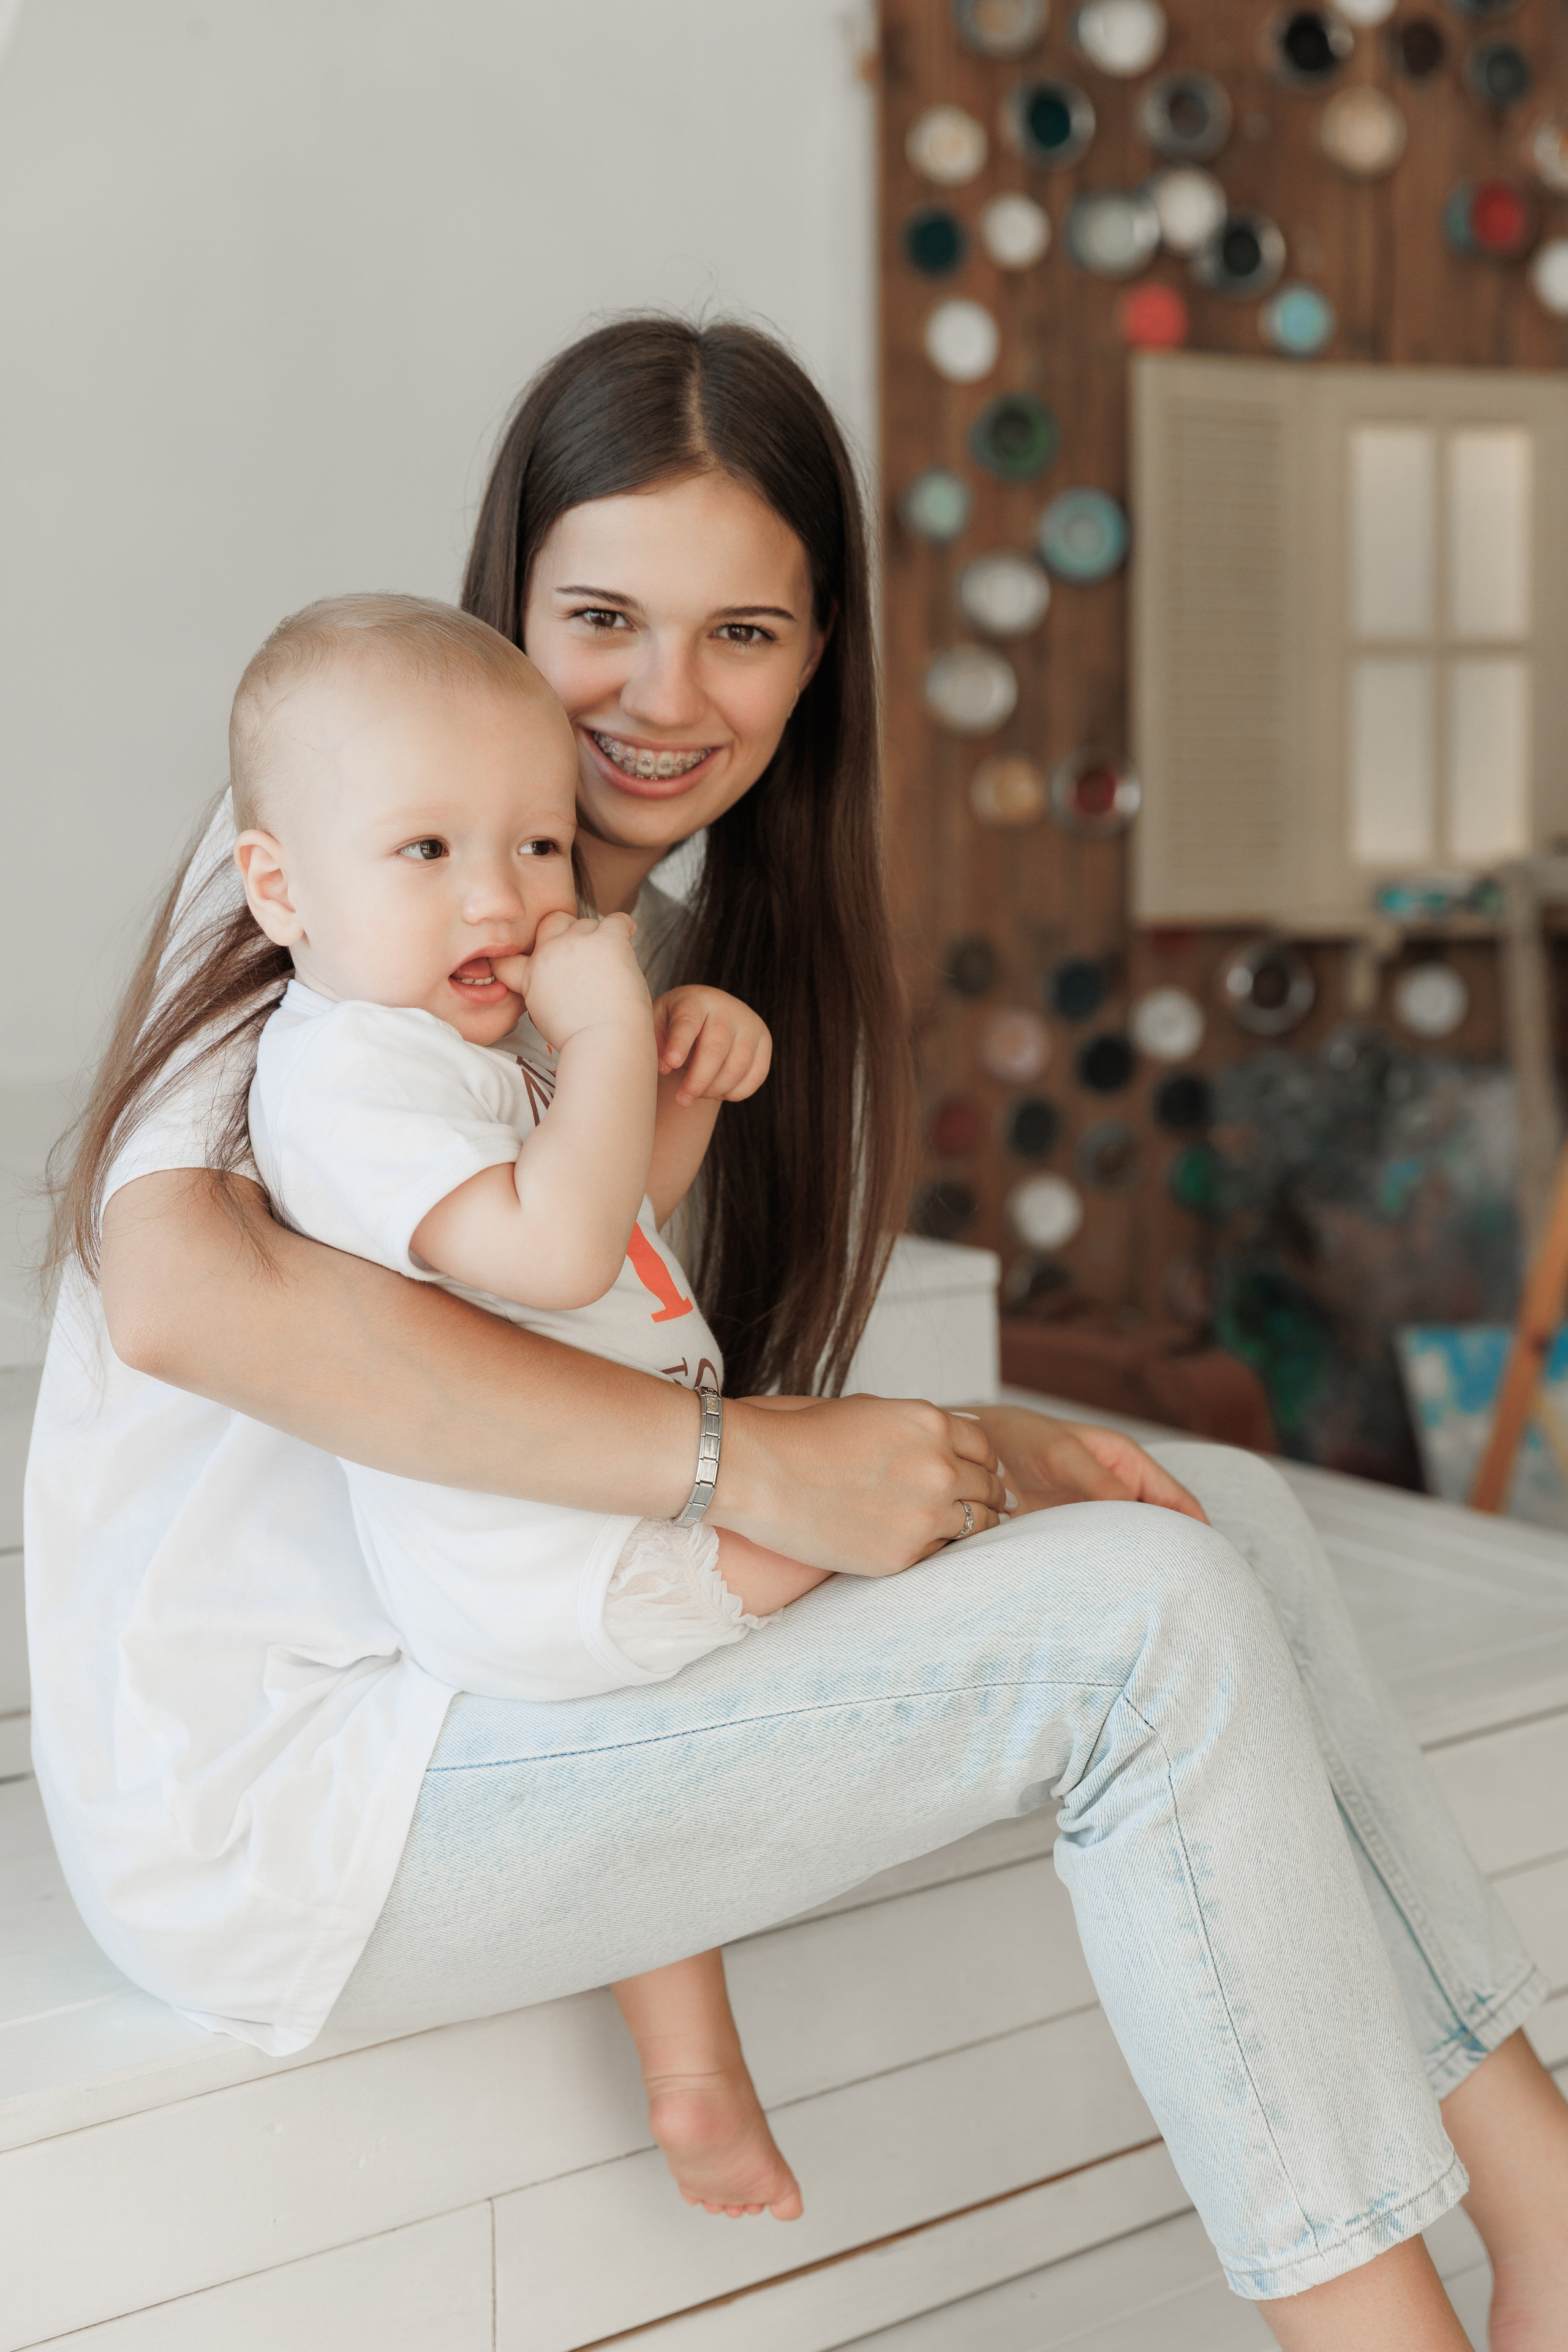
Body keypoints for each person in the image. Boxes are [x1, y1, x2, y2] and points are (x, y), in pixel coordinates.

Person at [30, 318, 1568, 2348]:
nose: (665, 700)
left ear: (818, 656)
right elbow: (180, 1295)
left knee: (1229, 1532)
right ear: (509, 603)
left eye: (741, 633)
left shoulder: (619, 964)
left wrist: (926, 1467)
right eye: (601, 617)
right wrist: (752, 1463)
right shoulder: (335, 885)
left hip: (501, 1694)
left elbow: (609, 1419)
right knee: (1143, 1624)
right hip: (302, 1800)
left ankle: (1542, 2211)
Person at [233, 587, 828, 2215]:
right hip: (555, 1563)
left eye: (540, 851)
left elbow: (613, 1209)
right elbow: (562, 1257)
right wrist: (613, 1022)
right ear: (280, 887)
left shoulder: (445, 1046)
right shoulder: (348, 1073)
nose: (500, 896)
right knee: (907, 1532)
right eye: (426, 854)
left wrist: (673, 1085)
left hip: (594, 1524)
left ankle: (697, 2089)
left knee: (666, 1786)